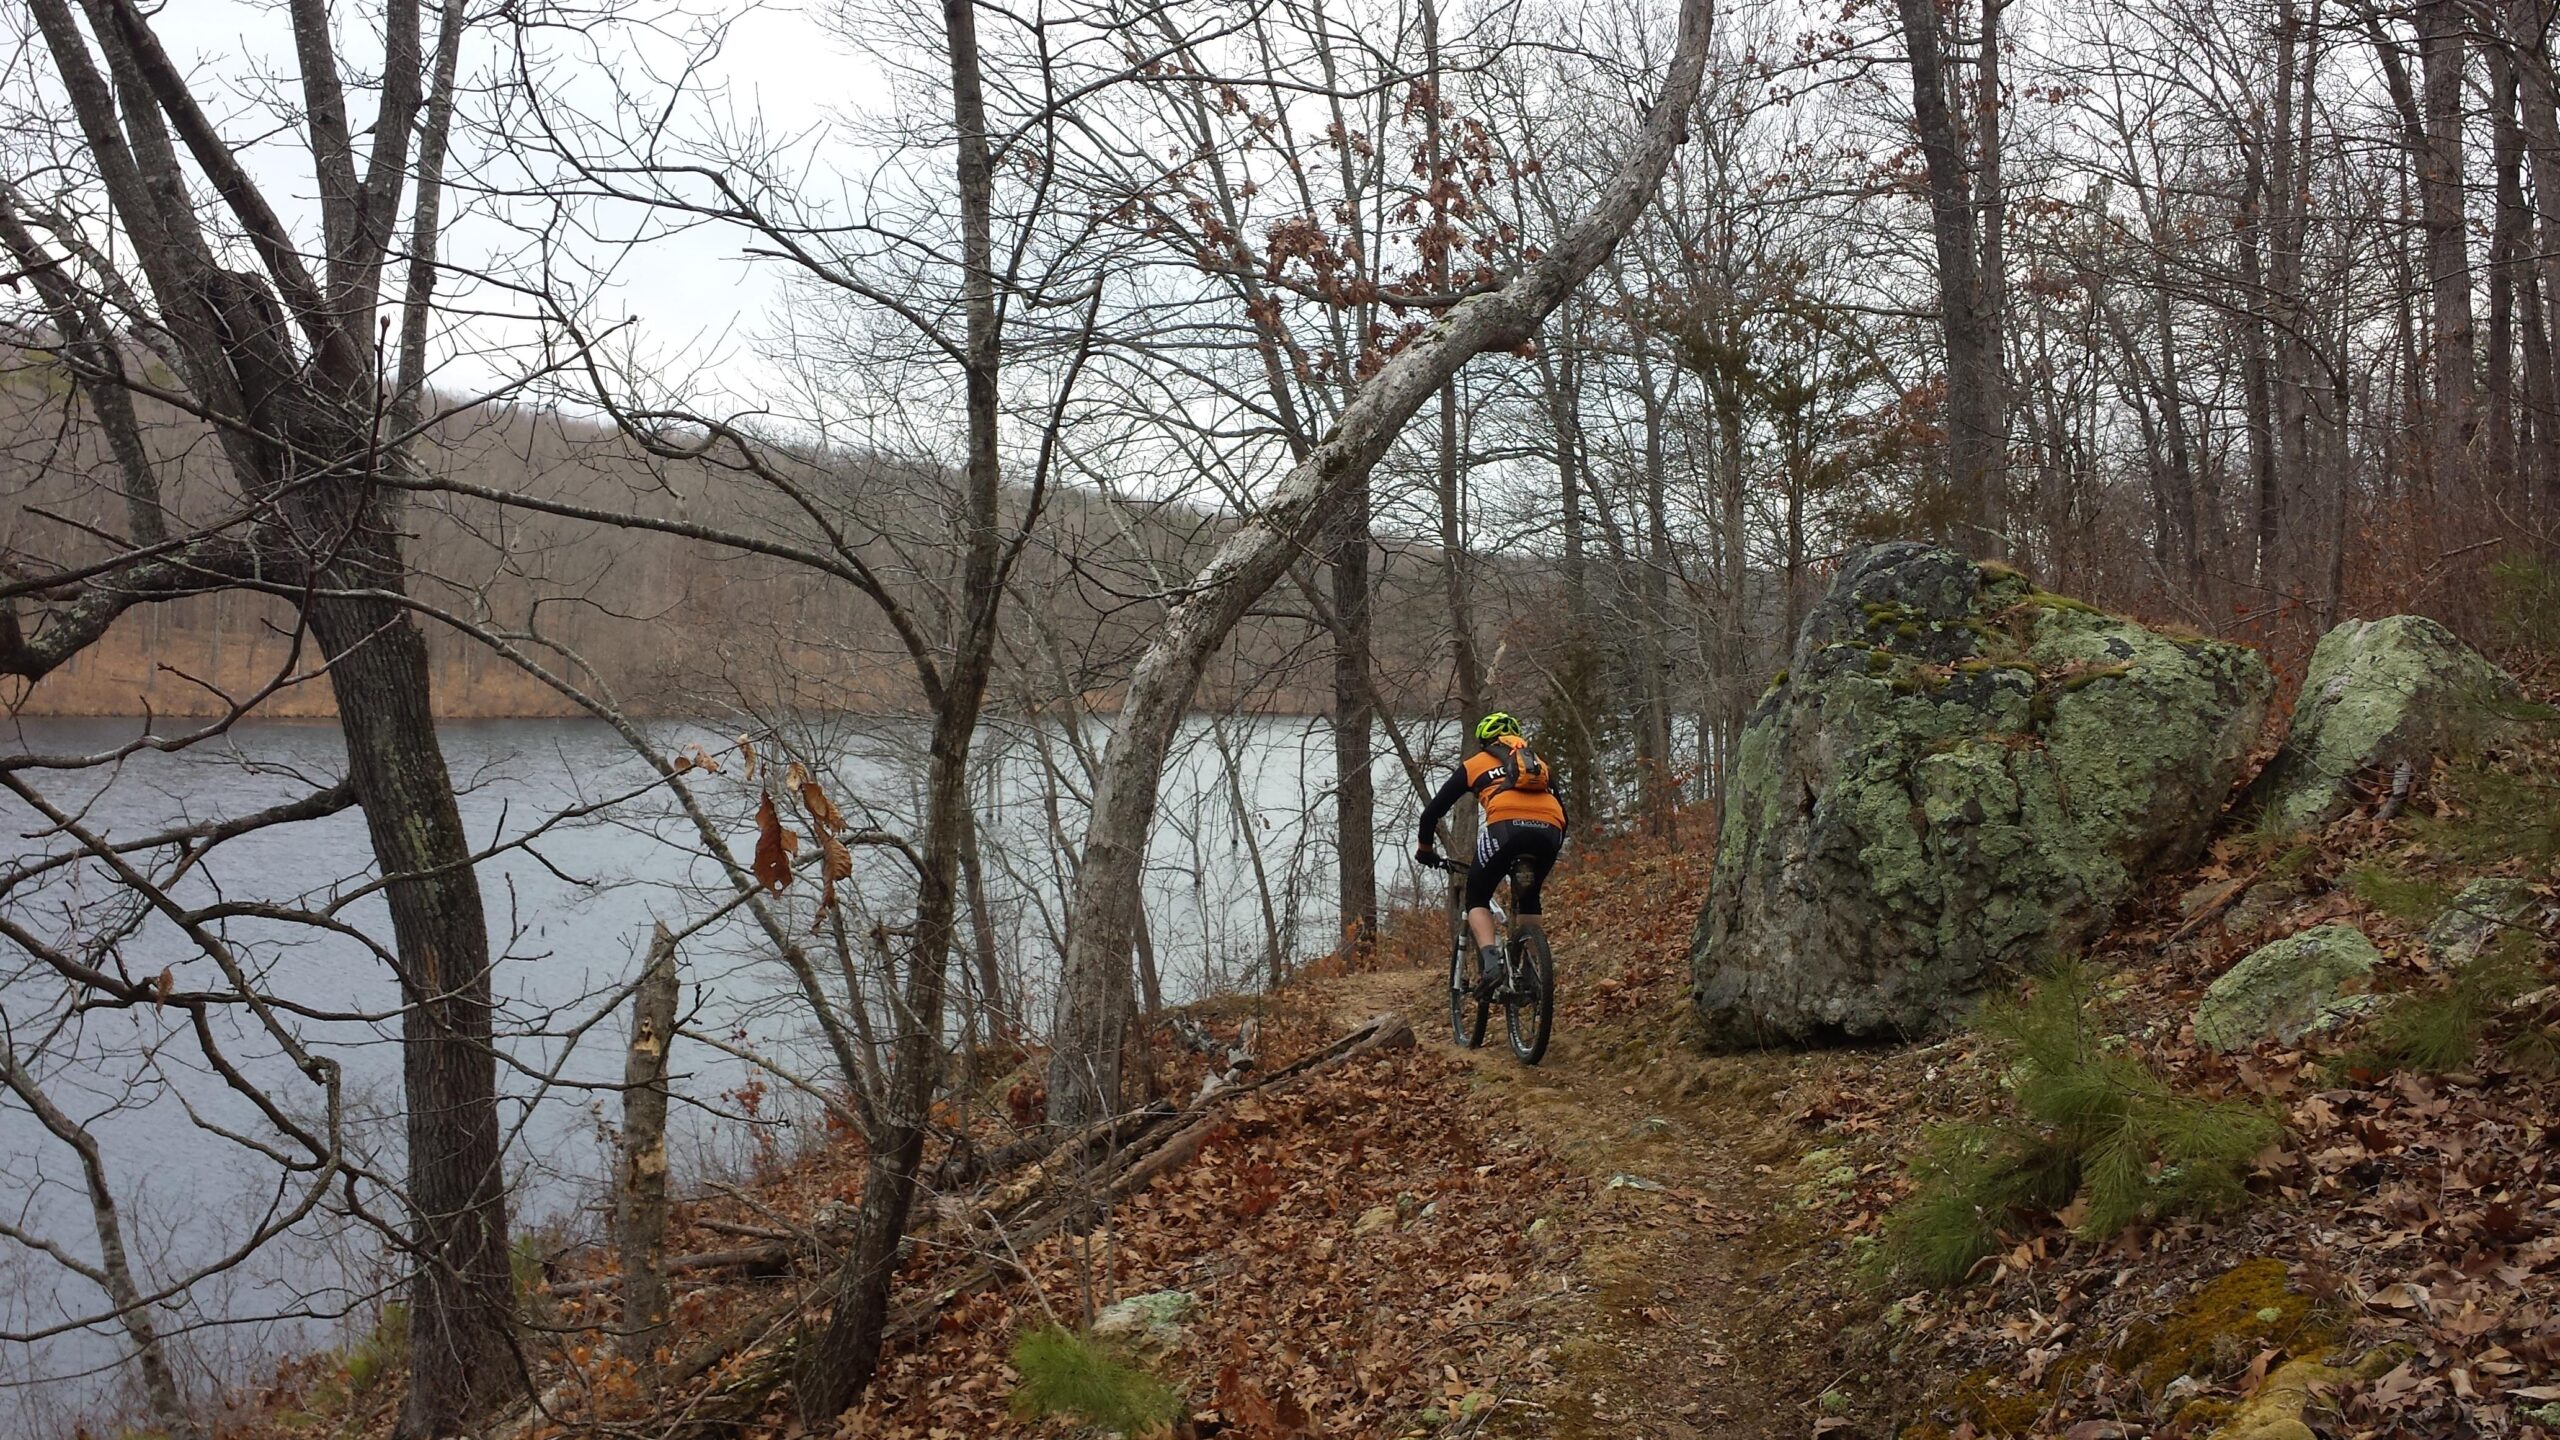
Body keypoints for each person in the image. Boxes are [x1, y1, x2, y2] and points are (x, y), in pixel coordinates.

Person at [1415, 711, 1568, 998]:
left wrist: (1425, 849)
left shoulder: (1476, 764)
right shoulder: (1539, 765)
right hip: (1550, 831)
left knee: (1476, 894)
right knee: (1529, 896)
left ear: (1485, 742)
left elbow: (1432, 812)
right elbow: (1563, 812)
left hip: (1506, 829)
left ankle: (1490, 963)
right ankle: (1532, 969)